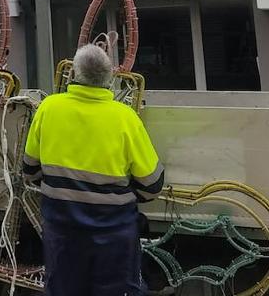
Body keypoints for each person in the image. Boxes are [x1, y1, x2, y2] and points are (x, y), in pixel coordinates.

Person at [22, 44, 164, 296]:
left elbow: (30, 169)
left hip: (62, 231)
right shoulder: (125, 117)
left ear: (74, 73)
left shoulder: (49, 108)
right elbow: (152, 185)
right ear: (109, 77)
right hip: (114, 234)